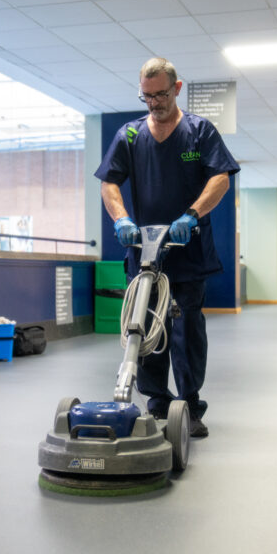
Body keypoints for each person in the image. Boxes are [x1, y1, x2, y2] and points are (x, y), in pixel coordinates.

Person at [94, 57, 240, 438]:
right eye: (147, 96)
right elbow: (109, 182)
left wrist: (192, 214)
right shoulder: (129, 135)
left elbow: (220, 178)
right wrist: (121, 219)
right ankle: (157, 402)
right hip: (144, 251)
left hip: (186, 247)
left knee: (187, 328)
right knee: (145, 327)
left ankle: (189, 405)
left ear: (176, 89)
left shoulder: (199, 131)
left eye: (160, 95)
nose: (154, 103)